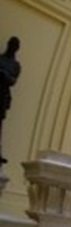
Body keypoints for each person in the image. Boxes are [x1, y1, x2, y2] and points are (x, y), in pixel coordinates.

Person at [0, 36, 21, 165]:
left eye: (14, 46)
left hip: (3, 96)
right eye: (11, 44)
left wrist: (4, 75)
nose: (12, 47)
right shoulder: (0, 59)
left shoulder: (15, 65)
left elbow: (13, 81)